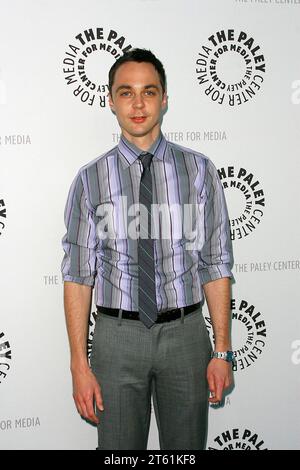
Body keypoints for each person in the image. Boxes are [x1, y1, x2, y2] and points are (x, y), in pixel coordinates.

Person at [61, 48, 234, 450]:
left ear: (165, 98)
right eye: (126, 92)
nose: (138, 104)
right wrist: (78, 365)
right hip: (116, 338)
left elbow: (216, 263)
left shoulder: (200, 171)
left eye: (149, 91)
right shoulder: (89, 180)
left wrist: (221, 351)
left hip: (187, 336)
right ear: (110, 100)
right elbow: (78, 275)